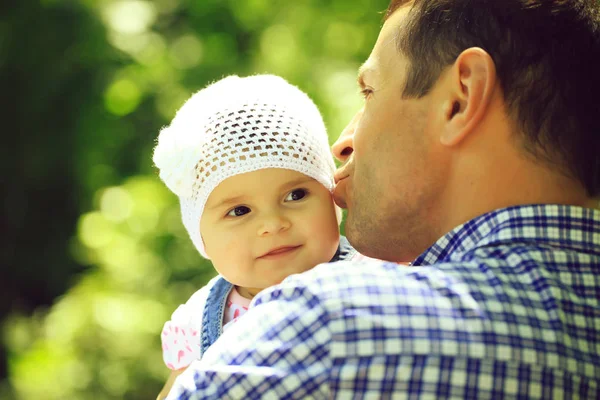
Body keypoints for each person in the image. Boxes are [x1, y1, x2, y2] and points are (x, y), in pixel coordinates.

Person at [166, 0, 600, 398]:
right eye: (239, 210)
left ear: (461, 98)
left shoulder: (325, 330)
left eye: (369, 93)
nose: (342, 144)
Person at [152, 74, 360, 399]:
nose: (273, 224)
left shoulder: (372, 276)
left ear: (332, 199)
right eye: (240, 211)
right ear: (201, 236)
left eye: (296, 195)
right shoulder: (198, 321)